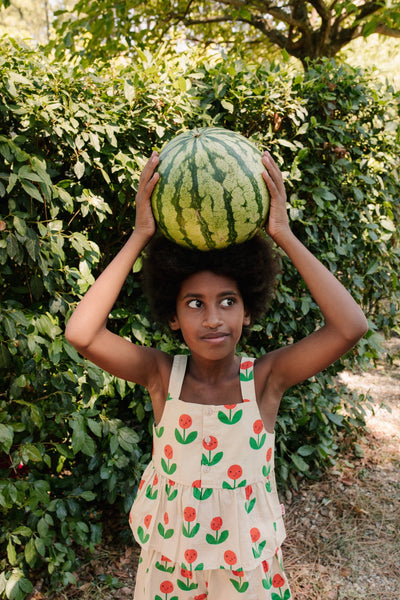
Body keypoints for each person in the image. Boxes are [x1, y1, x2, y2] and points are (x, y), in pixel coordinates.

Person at [65, 149, 368, 600]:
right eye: (195, 304)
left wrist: (282, 233)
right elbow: (82, 333)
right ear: (173, 316)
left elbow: (350, 326)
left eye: (228, 301)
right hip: (172, 569)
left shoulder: (265, 378)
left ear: (248, 313)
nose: (212, 318)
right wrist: (139, 235)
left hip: (246, 572)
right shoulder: (161, 375)